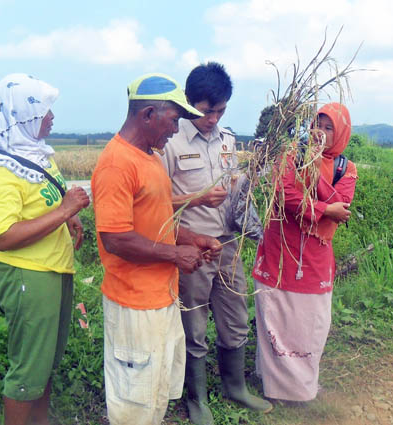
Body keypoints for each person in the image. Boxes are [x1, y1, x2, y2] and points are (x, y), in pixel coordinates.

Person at [91, 73, 223, 425]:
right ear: (148, 114)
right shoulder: (117, 163)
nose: (176, 130)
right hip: (134, 304)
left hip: (161, 297)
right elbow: (114, 238)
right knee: (134, 400)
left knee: (155, 391)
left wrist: (191, 239)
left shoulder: (150, 158)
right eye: (174, 119)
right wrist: (175, 255)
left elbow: (158, 222)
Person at [0, 73, 91, 425]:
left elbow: (43, 202)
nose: (52, 118)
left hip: (52, 269)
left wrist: (65, 217)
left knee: (45, 360)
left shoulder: (36, 156)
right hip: (27, 274)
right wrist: (64, 211)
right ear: (21, 118)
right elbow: (3, 236)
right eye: (45, 111)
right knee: (29, 366)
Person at [160, 62, 272, 424]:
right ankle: (197, 398)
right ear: (190, 103)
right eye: (207, 111)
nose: (213, 118)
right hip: (191, 246)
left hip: (227, 244)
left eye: (220, 111)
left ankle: (234, 387)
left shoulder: (227, 140)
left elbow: (236, 188)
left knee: (236, 315)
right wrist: (195, 199)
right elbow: (154, 203)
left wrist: (252, 210)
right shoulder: (170, 143)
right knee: (193, 321)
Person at [252, 102, 358, 402]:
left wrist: (307, 191)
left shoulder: (346, 168)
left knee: (310, 324)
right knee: (276, 319)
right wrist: (325, 207)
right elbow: (286, 195)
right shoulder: (291, 156)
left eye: (328, 128)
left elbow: (343, 204)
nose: (320, 133)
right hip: (279, 254)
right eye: (317, 125)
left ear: (341, 134)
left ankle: (300, 389)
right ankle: (274, 387)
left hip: (314, 261)